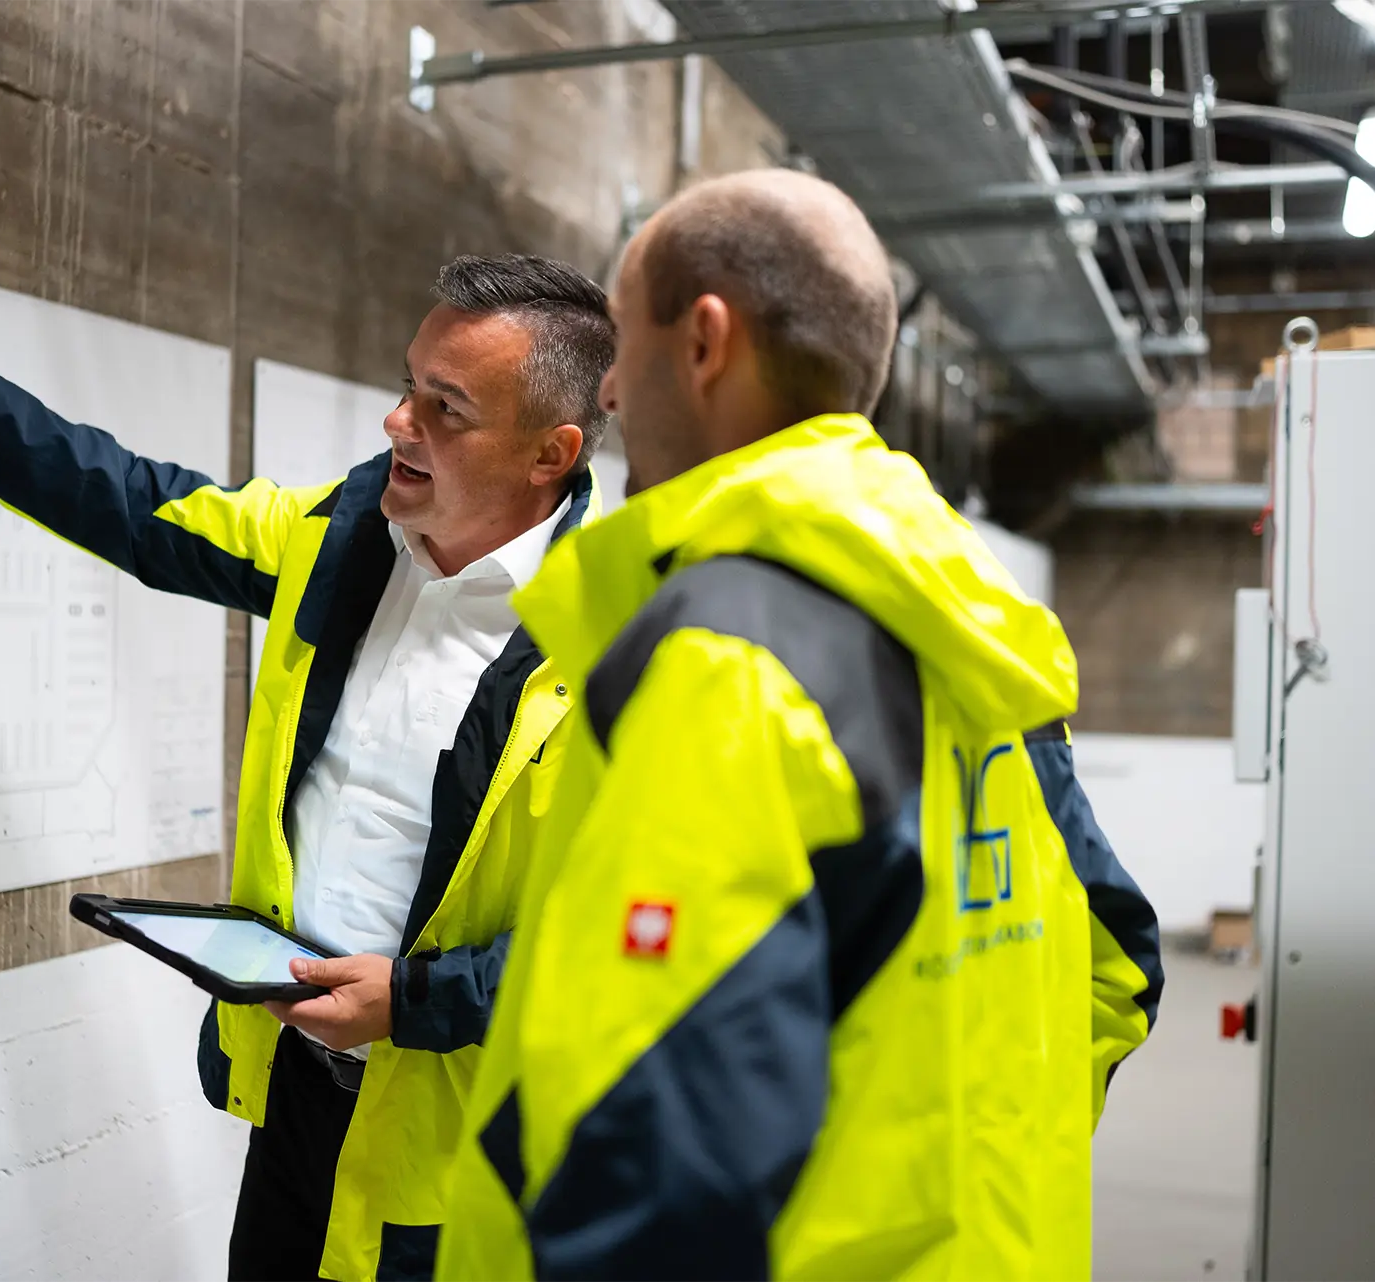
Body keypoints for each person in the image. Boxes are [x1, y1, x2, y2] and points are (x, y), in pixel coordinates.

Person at [0, 249, 616, 1282]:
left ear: (550, 452)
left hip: (458, 1146)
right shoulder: (339, 538)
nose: (398, 422)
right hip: (294, 1084)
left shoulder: (617, 639)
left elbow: (623, 940)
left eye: (446, 407)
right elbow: (137, 505)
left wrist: (415, 1001)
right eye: (406, 384)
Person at [434, 170, 1164, 1282]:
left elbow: (644, 1166)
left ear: (707, 341)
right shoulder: (967, 631)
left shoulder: (733, 657)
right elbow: (1116, 967)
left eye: (627, 341)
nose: (615, 391)